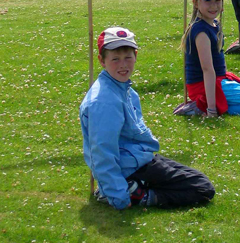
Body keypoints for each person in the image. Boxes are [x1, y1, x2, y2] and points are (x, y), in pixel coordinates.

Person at [79, 27, 215, 210]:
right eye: (115, 59)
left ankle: (137, 186)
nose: (123, 65)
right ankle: (138, 194)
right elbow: (102, 153)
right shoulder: (104, 102)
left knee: (198, 179)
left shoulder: (125, 90)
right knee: (202, 188)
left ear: (135, 56)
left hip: (141, 159)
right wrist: (117, 194)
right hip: (131, 167)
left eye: (128, 57)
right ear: (102, 61)